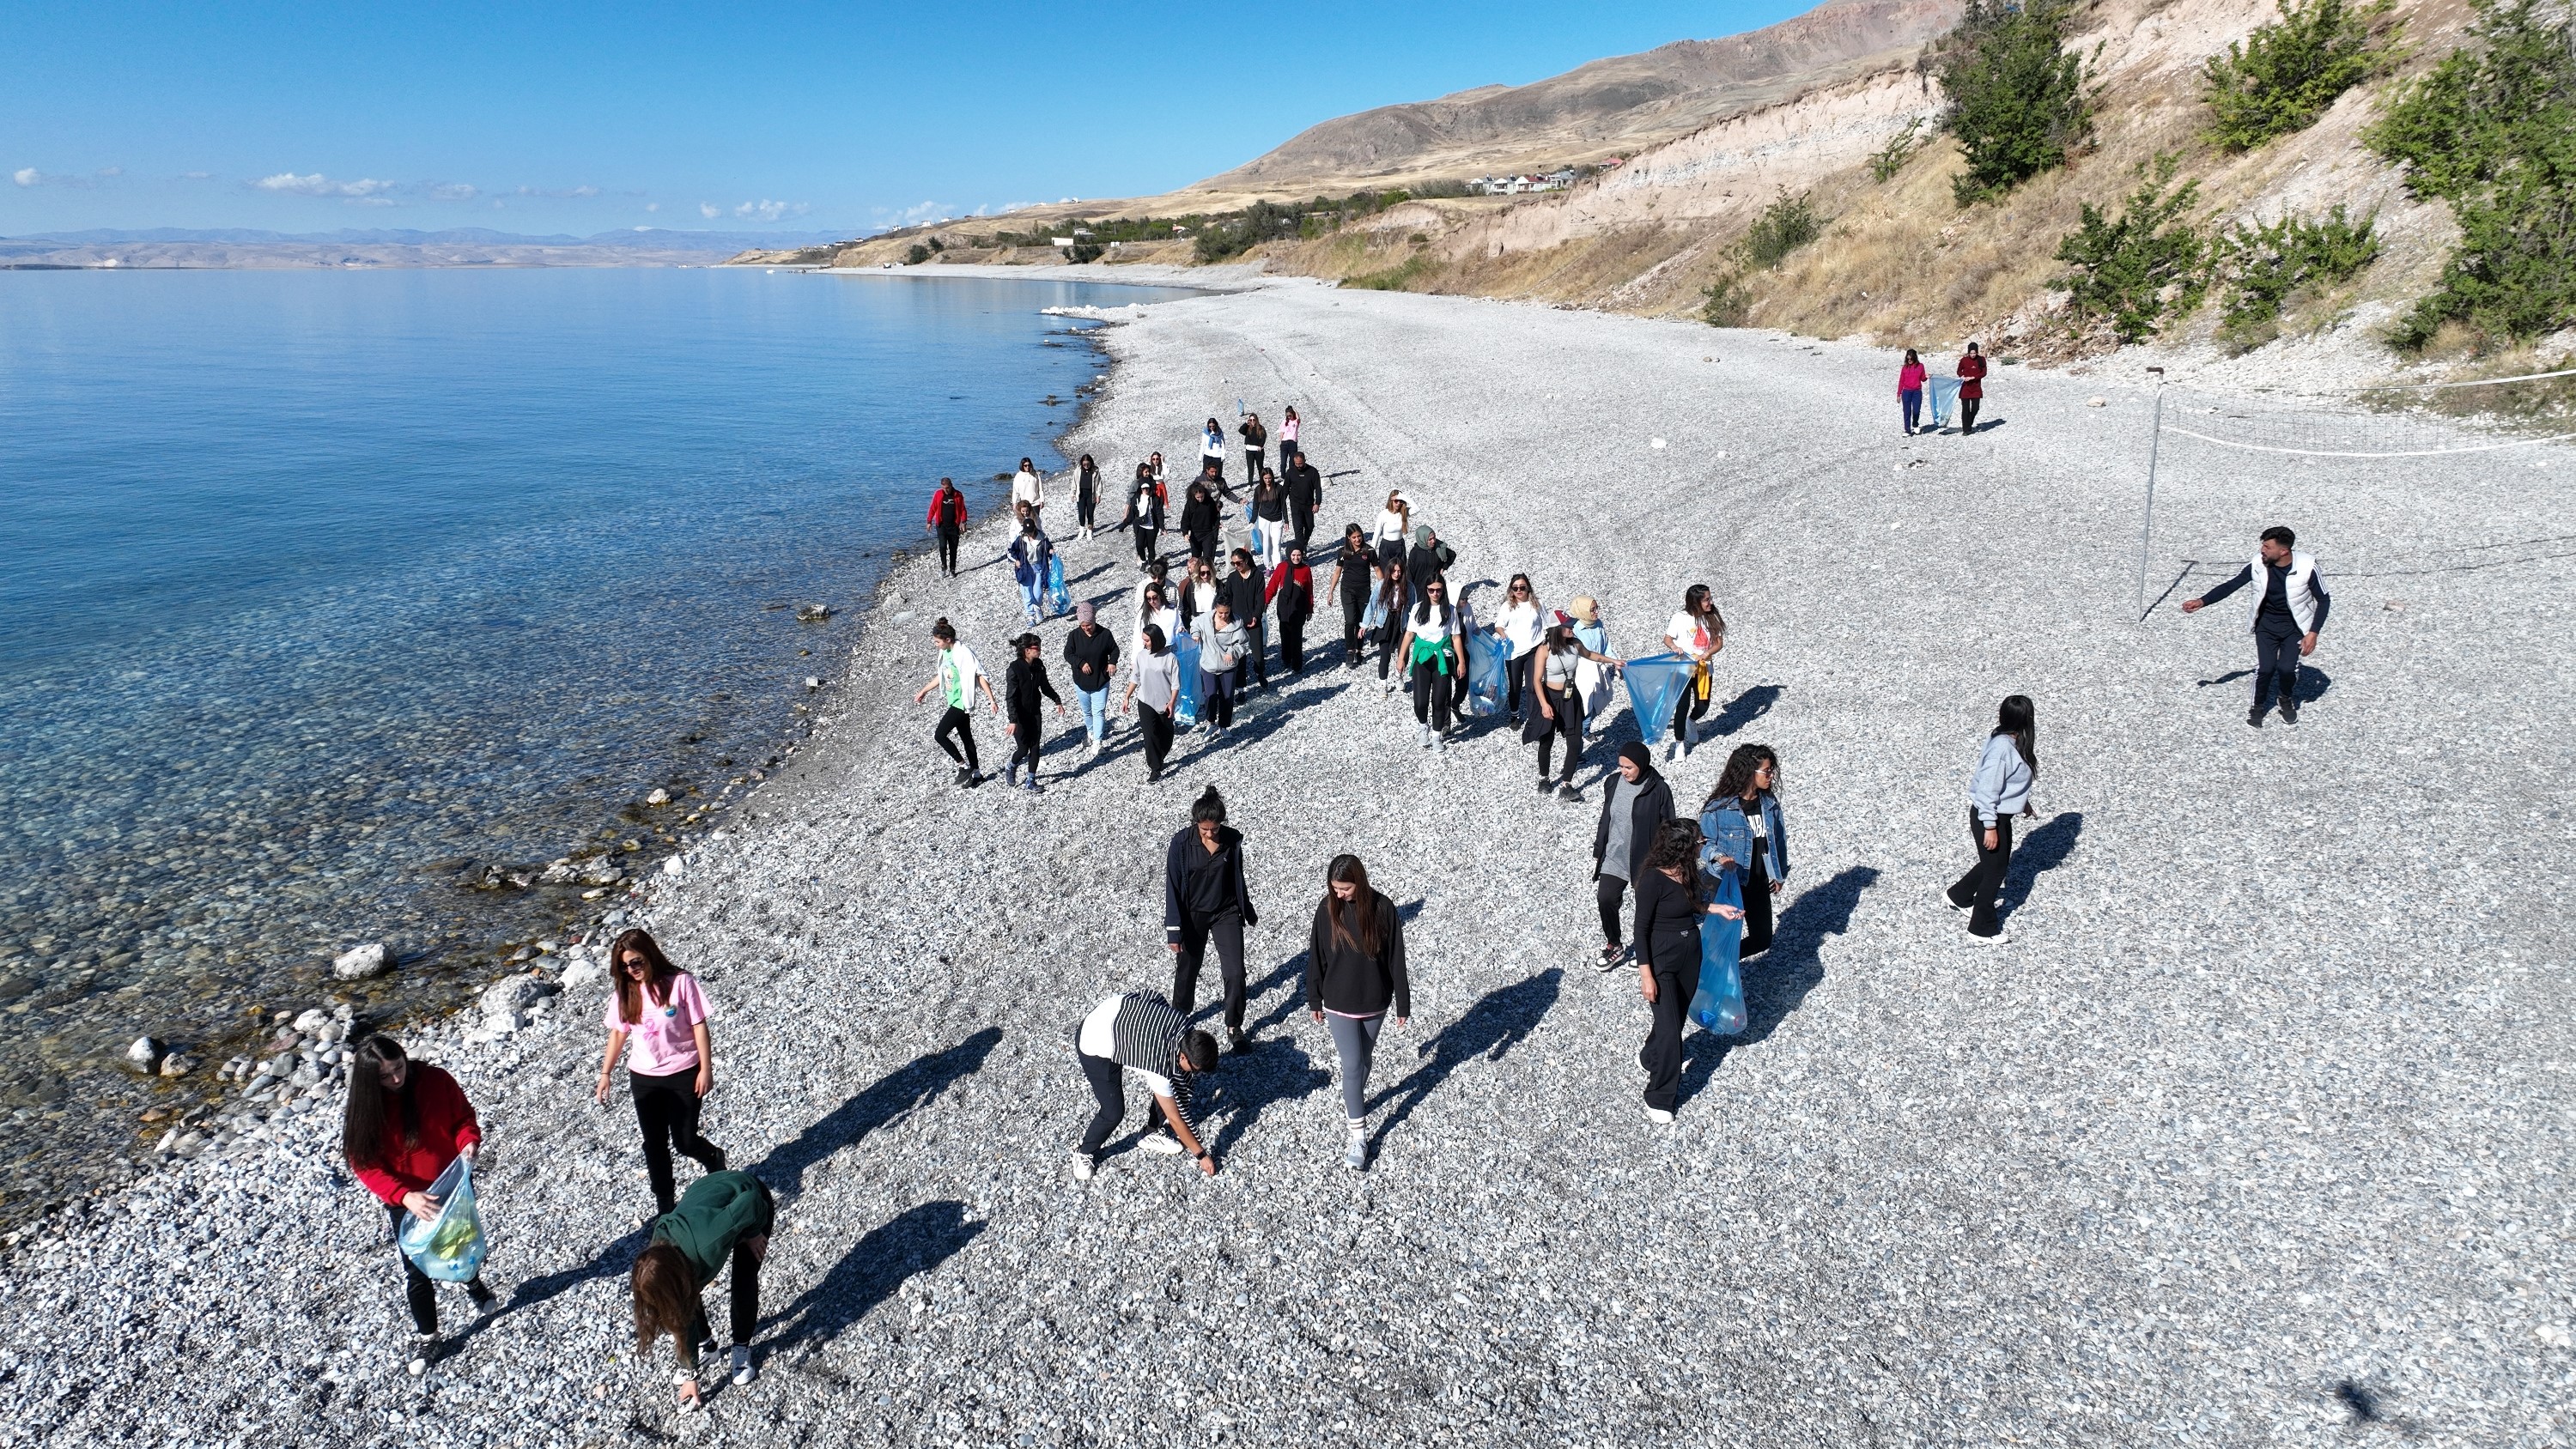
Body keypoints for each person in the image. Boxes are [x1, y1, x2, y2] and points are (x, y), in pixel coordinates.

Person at [344, 1034, 493, 1371]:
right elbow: (365, 1165)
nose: (396, 1079)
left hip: (452, 1184)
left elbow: (463, 1118)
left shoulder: (436, 1080)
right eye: (385, 1076)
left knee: (460, 1242)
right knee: (416, 1270)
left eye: (399, 1067)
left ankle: (472, 1282)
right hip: (408, 1201)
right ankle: (429, 1337)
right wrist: (404, 1196)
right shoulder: (366, 1109)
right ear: (370, 1080)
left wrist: (468, 1141)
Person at [593, 927, 727, 1216]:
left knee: (685, 1141)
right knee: (654, 1145)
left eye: (636, 962)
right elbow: (619, 1033)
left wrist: (706, 1069)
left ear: (650, 955)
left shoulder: (680, 983)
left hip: (684, 1072)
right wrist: (606, 1074)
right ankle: (665, 1206)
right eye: (625, 966)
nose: (632, 970)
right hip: (643, 1077)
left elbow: (698, 1025)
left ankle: (714, 1157)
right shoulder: (625, 992)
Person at [631, 1168, 773, 1404]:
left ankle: (741, 1347)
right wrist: (690, 1373)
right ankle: (709, 1348)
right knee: (685, 1295)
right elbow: (679, 1310)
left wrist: (754, 1232)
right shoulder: (656, 1251)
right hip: (706, 1196)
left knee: (744, 1276)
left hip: (747, 1195)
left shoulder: (709, 1242)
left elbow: (750, 1202)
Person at [1304, 855, 1409, 1172]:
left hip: (1376, 1001)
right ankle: (1359, 1138)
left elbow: (1396, 958)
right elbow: (1316, 956)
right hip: (1338, 1003)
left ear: (1359, 883)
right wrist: (1314, 998)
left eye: (1345, 888)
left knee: (1364, 1061)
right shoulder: (1326, 910)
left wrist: (1402, 1002)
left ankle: (1354, 1103)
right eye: (1334, 888)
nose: (1339, 895)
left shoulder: (1383, 908)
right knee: (1351, 1066)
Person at [1634, 820, 1741, 1123]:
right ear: (1683, 847)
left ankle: (1650, 1056)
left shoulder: (1688, 871)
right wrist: (1646, 975)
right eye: (1699, 842)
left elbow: (1693, 904)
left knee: (1675, 1018)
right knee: (1671, 1031)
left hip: (1690, 955)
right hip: (1661, 960)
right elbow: (1640, 930)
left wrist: (1717, 909)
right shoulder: (1653, 880)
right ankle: (1659, 1097)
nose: (1702, 847)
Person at [2182, 524, 2330, 726]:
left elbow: (2324, 600)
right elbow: (2232, 584)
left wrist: (2313, 633)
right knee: (2266, 668)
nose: (2262, 550)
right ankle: (2257, 707)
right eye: (2263, 545)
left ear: (2284, 551)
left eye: (2268, 547)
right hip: (2266, 626)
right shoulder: (2258, 564)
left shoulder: (2307, 566)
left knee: (2287, 669)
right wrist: (2203, 601)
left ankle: (2285, 698)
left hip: (2295, 627)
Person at [1071, 991, 1222, 1180]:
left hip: (1116, 1016)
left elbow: (1155, 998)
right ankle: (1084, 1152)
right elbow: (1175, 1119)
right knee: (1113, 1111)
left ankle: (1149, 1133)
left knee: (1171, 1085)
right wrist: (1201, 1155)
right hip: (1093, 1040)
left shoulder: (1183, 1026)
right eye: (1195, 1069)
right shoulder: (1158, 1064)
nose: (1196, 1074)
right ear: (1183, 1056)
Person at [1164, 785, 1258, 1052]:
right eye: (1204, 829)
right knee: (1187, 971)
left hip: (1225, 912)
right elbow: (1172, 885)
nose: (1209, 834)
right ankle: (1178, 1018)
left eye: (1214, 829)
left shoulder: (1232, 840)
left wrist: (1246, 908)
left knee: (1236, 971)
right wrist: (1174, 930)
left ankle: (1234, 1025)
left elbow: (1237, 878)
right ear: (1196, 823)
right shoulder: (1181, 843)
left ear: (1221, 823)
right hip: (1192, 914)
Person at [1945, 694, 2037, 943]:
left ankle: (1958, 896)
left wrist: (2022, 802)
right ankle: (1982, 929)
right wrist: (1990, 826)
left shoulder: (2009, 739)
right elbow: (1987, 789)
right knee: (1996, 872)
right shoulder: (2002, 748)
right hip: (1991, 816)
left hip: (1998, 814)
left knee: (1992, 865)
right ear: (2027, 718)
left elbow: (2007, 782)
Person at [1591, 742, 1676, 970]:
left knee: (1646, 908)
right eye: (1621, 766)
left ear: (1642, 764)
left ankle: (1646, 950)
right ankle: (1614, 945)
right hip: (1615, 855)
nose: (1624, 771)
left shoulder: (1658, 789)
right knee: (1605, 899)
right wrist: (1600, 846)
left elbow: (1669, 826)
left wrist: (1667, 861)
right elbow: (1606, 818)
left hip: (1645, 860)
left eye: (1629, 767)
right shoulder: (1612, 783)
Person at [1698, 745, 1788, 958]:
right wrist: (1719, 856)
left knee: (1762, 939)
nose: (1771, 775)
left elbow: (1778, 840)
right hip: (1728, 887)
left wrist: (1779, 873)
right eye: (1766, 771)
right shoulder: (1718, 808)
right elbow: (1703, 844)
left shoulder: (1769, 804)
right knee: (1719, 938)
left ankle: (1722, 961)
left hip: (1758, 884)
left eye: (1771, 769)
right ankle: (1710, 974)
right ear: (1749, 772)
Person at [1527, 623, 1618, 797]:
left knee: (1574, 742)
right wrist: (1544, 705)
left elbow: (1591, 655)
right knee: (1547, 741)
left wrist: (1613, 661)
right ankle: (1544, 778)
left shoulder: (1575, 644)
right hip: (1549, 697)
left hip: (1570, 697)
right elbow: (1537, 680)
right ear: (1556, 629)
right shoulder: (1544, 650)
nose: (1572, 629)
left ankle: (1566, 784)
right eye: (1567, 626)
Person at [913, 618, 997, 786]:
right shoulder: (945, 652)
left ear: (948, 639)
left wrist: (991, 700)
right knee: (967, 739)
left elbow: (978, 675)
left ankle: (963, 766)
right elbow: (942, 675)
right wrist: (924, 691)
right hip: (953, 701)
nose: (936, 645)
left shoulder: (963, 653)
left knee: (940, 735)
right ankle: (977, 775)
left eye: (937, 642)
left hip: (962, 702)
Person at [1398, 575, 1465, 749]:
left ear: (1443, 590)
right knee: (1420, 702)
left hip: (1443, 656)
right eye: (1431, 590)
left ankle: (1436, 737)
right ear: (1426, 590)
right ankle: (1423, 726)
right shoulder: (1418, 608)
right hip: (1423, 656)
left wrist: (1461, 662)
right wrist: (1401, 657)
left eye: (1438, 590)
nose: (1435, 593)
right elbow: (1410, 634)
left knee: (1439, 700)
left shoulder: (1449, 610)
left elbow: (1456, 637)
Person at [1661, 585, 1726, 759]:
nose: (1710, 602)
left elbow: (1719, 643)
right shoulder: (1679, 618)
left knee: (1703, 706)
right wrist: (1675, 647)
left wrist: (1707, 653)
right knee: (1681, 707)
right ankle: (1679, 744)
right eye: (1707, 599)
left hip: (1704, 669)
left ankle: (1692, 721)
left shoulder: (1711, 616)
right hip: (1683, 669)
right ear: (1696, 602)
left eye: (1710, 598)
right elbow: (1667, 638)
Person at [1002, 632, 1067, 791]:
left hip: (1035, 712)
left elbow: (1045, 686)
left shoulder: (1038, 665)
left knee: (1036, 747)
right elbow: (1010, 697)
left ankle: (1030, 781)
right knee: (1023, 750)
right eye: (1036, 647)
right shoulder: (1014, 669)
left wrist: (1057, 700)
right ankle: (1011, 766)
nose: (1039, 649)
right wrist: (1013, 720)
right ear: (1026, 650)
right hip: (1020, 715)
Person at [1059, 602, 1121, 756]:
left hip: (1101, 681)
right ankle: (1091, 733)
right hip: (1081, 682)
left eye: (1089, 625)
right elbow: (1068, 654)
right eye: (1083, 625)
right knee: (1087, 712)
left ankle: (1098, 742)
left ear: (1094, 620)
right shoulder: (1074, 635)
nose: (1086, 628)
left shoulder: (1105, 634)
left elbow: (1114, 650)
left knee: (1099, 712)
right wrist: (1081, 663)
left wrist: (1112, 662)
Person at [1122, 623, 1182, 781]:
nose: (1144, 643)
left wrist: (1172, 702)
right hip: (1145, 701)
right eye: (1143, 640)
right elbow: (1135, 678)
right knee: (1149, 735)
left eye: (1147, 640)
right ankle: (1155, 768)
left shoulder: (1170, 658)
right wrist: (1127, 697)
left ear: (1156, 640)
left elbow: (1176, 684)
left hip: (1165, 703)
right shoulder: (1141, 656)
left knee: (1167, 736)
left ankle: (1159, 757)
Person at [1493, 573, 1545, 723]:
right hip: (1513, 651)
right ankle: (1514, 715)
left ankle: (1534, 718)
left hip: (1534, 650)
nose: (1519, 591)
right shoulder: (1507, 606)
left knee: (1532, 686)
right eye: (1515, 588)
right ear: (1511, 590)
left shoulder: (1538, 604)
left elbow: (1546, 625)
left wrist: (1546, 644)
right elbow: (1499, 625)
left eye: (1522, 587)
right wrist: (1503, 634)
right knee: (1515, 687)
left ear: (1528, 587)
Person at [1568, 596, 1616, 738]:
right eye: (1592, 610)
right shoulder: (1574, 629)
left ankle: (1583, 727)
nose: (1596, 612)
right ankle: (1582, 731)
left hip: (1600, 669)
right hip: (1583, 672)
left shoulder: (1598, 623)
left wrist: (1615, 661)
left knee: (1604, 698)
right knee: (1587, 702)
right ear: (1582, 611)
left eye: (1596, 608)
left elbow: (1606, 645)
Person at [1195, 600, 1246, 733]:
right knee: (1210, 695)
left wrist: (1233, 652)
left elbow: (1244, 643)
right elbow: (1194, 623)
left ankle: (1224, 726)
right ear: (1215, 610)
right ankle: (1211, 722)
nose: (1224, 616)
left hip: (1228, 666)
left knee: (1227, 697)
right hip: (1209, 665)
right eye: (1220, 613)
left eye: (1227, 613)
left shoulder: (1237, 623)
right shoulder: (1206, 618)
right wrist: (1196, 634)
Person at [1223, 547, 1269, 693]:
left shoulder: (1257, 576)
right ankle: (1241, 689)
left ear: (1246, 560)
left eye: (1239, 563)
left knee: (1258, 654)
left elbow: (1261, 599)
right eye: (1234, 563)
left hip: (1254, 621)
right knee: (1240, 657)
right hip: (1237, 623)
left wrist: (1256, 616)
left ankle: (1259, 672)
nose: (1236, 566)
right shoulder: (1232, 578)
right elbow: (1227, 598)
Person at [1331, 524, 1376, 669]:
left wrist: (1383, 589)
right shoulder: (1343, 552)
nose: (1357, 539)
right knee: (1350, 620)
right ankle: (1349, 650)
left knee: (1362, 622)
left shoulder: (1369, 551)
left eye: (1359, 536)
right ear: (1348, 538)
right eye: (1354, 537)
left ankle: (1359, 650)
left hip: (1364, 591)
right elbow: (1337, 572)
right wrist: (1330, 591)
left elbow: (1378, 570)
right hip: (1347, 590)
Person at [1267, 543, 1314, 675]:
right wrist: (1265, 602)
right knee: (1285, 634)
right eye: (1293, 555)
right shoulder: (1282, 567)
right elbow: (1272, 586)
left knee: (1297, 637)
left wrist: (1310, 608)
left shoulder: (1305, 569)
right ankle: (1286, 658)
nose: (1296, 558)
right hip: (1284, 606)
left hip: (1299, 607)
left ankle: (1297, 664)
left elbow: (1309, 590)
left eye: (1299, 555)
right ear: (1289, 555)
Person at [1007, 516, 1054, 626]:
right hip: (1024, 569)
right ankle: (1030, 617)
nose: (1028, 534)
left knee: (1038, 594)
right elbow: (1011, 552)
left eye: (1030, 532)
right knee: (1027, 594)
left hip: (1039, 568)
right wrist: (1016, 560)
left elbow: (1048, 548)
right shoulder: (1021, 539)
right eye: (1026, 532)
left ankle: (1037, 608)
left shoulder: (1042, 538)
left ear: (1034, 529)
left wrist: (1051, 551)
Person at [1373, 558, 1409, 693]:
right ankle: (1383, 684)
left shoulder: (1408, 586)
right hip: (1386, 621)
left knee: (1404, 653)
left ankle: (1398, 675)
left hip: (1401, 621)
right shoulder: (1381, 585)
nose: (1397, 573)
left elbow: (1413, 606)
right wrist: (1364, 625)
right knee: (1385, 655)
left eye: (1399, 571)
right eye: (1394, 570)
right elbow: (1372, 604)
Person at [1121, 462, 1166, 570]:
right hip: (1140, 524)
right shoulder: (1136, 492)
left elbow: (1159, 512)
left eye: (1147, 488)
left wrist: (1162, 527)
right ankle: (1143, 560)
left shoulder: (1154, 497)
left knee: (1151, 547)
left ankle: (1151, 566)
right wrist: (1124, 522)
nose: (1145, 490)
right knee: (1139, 545)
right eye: (1143, 488)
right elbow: (1131, 505)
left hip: (1152, 526)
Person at [924, 476, 969, 577]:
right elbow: (933, 508)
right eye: (943, 488)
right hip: (941, 526)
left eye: (947, 488)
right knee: (942, 546)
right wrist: (929, 521)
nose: (945, 490)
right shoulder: (938, 494)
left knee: (953, 548)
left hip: (954, 526)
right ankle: (944, 566)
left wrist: (964, 522)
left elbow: (963, 509)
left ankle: (952, 568)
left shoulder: (958, 495)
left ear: (951, 486)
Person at [1404, 524, 1454, 612]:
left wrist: (1443, 567)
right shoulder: (1415, 553)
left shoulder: (1439, 548)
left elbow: (1452, 555)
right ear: (1422, 539)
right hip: (1419, 589)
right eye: (1430, 539)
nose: (1433, 541)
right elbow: (1410, 573)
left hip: (1435, 588)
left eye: (1434, 538)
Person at [1285, 448, 1321, 552]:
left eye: (1300, 463)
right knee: (1298, 529)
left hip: (1309, 504)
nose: (1298, 466)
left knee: (1310, 526)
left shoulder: (1313, 471)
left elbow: (1318, 488)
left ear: (1304, 460)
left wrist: (1317, 503)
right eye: (1296, 464)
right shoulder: (1290, 472)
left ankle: (1304, 543)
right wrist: (1282, 502)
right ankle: (1301, 551)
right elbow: (1286, 488)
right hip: (1295, 504)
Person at [1250, 469, 1288, 571]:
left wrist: (1286, 521)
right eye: (1266, 478)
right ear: (1262, 478)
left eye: (1270, 478)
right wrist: (1252, 520)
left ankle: (1278, 567)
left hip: (1277, 519)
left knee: (1276, 544)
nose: (1268, 480)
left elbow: (1283, 505)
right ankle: (1268, 566)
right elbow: (1255, 506)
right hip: (1264, 519)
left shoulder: (1279, 488)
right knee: (1266, 544)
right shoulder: (1259, 489)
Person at [1180, 478, 1223, 563]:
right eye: (1198, 497)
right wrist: (1185, 533)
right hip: (1195, 535)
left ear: (1204, 493)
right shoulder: (1190, 504)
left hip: (1208, 534)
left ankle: (1209, 575)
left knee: (1208, 559)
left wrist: (1217, 524)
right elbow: (1185, 519)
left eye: (1202, 496)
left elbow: (1215, 514)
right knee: (1196, 560)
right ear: (1194, 496)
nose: (1200, 499)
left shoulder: (1209, 501)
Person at [1371, 492, 1411, 570]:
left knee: (1401, 571)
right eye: (1396, 501)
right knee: (1386, 573)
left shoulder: (1403, 512)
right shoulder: (1383, 514)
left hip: (1399, 545)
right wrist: (1372, 553)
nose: (1398, 503)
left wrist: (1404, 497)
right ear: (1391, 501)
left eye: (1401, 501)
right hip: (1386, 547)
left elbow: (1417, 509)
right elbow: (1377, 534)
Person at [1956, 343, 1988, 435]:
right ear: (1968, 352)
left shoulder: (1981, 360)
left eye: (1974, 353)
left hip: (1976, 387)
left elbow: (1984, 373)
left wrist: (1973, 377)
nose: (1973, 355)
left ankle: (1968, 422)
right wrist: (1962, 376)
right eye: (1971, 353)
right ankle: (1966, 430)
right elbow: (1959, 370)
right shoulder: (1964, 360)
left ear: (1977, 352)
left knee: (1975, 408)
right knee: (1965, 409)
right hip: (1965, 388)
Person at [1898, 349, 1928, 435]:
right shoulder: (1904, 368)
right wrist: (1898, 394)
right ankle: (1907, 430)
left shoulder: (1921, 366)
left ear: (1914, 357)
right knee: (1907, 412)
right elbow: (1901, 381)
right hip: (1906, 392)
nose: (1909, 360)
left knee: (1916, 411)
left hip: (1917, 392)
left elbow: (1922, 379)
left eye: (1911, 358)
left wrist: (1926, 377)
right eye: (1908, 359)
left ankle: (1915, 424)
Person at [1072, 454, 1102, 539]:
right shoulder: (1078, 470)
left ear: (1091, 463)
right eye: (1084, 464)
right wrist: (1073, 494)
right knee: (1081, 513)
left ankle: (1089, 531)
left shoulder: (1095, 471)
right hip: (1081, 494)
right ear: (1082, 463)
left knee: (1090, 513)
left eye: (1088, 464)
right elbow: (1074, 482)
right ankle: (1081, 530)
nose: (1086, 466)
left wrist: (1098, 495)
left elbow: (1099, 483)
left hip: (1091, 495)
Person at [1011, 456, 1045, 522]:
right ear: (1022, 466)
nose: (1027, 467)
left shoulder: (1036, 474)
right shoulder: (1018, 476)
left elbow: (1041, 488)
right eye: (1025, 465)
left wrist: (1042, 500)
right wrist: (1014, 503)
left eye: (1029, 465)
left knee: (1035, 522)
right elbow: (1015, 491)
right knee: (1024, 522)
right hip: (1024, 504)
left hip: (1035, 503)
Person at [1238, 412, 1267, 488]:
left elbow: (1264, 438)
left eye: (1253, 419)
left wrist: (1261, 446)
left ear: (1256, 420)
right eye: (1250, 420)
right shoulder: (1248, 428)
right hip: (1249, 450)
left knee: (1260, 467)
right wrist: (1245, 423)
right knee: (1250, 468)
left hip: (1258, 450)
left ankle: (1263, 483)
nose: (1252, 421)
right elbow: (1240, 430)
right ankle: (1250, 484)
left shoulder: (1261, 428)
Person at [1199, 418, 1227, 488]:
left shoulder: (1219, 433)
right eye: (1210, 426)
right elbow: (1203, 444)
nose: (1211, 428)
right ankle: (1206, 487)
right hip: (1207, 455)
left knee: (1217, 473)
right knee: (1205, 472)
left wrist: (1223, 456)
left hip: (1217, 455)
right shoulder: (1205, 432)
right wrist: (1200, 456)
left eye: (1213, 426)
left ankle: (1219, 488)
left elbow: (1223, 444)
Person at [1279, 403, 1302, 474]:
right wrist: (1281, 441)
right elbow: (1282, 432)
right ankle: (1283, 476)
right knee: (1283, 462)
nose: (1289, 417)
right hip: (1284, 443)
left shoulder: (1295, 422)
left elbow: (1298, 418)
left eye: (1290, 415)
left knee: (1292, 462)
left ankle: (1291, 476)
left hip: (1292, 443)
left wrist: (1295, 410)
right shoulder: (1284, 422)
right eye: (1287, 416)